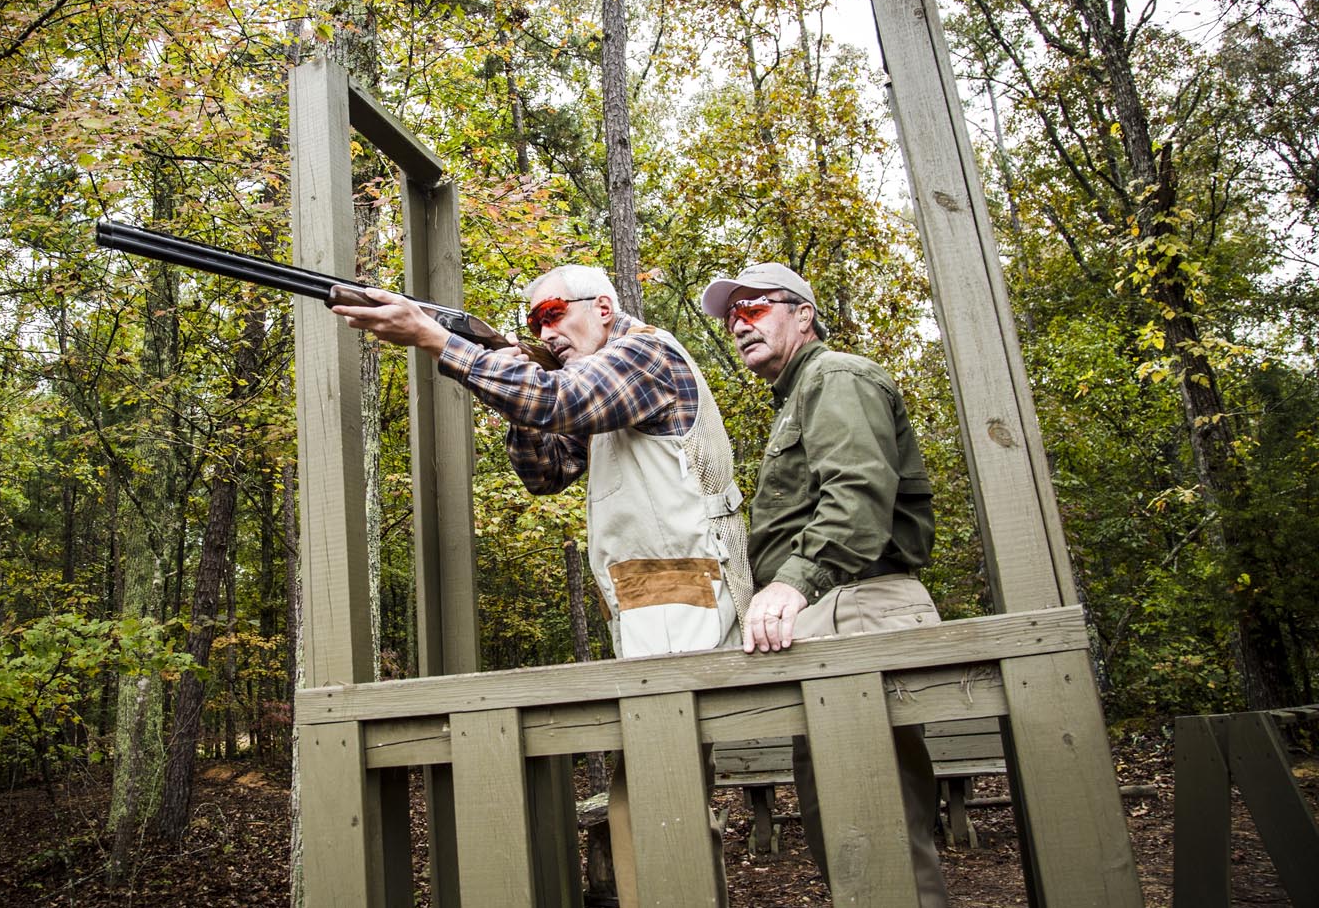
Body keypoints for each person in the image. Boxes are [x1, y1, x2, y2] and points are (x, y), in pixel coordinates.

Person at [333, 265, 750, 907]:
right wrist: (501, 359)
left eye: (553, 312)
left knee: (655, 792)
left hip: (678, 593)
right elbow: (545, 470)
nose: (544, 330)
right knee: (656, 792)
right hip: (657, 596)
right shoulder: (607, 380)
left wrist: (439, 340)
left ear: (604, 307)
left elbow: (556, 400)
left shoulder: (645, 352)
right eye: (534, 321)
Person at [701, 262, 949, 908]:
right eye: (732, 316)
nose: (739, 323)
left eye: (754, 307)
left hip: (855, 606)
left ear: (803, 313)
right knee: (845, 840)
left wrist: (790, 586)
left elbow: (857, 494)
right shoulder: (800, 394)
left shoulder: (835, 375)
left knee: (879, 834)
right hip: (825, 616)